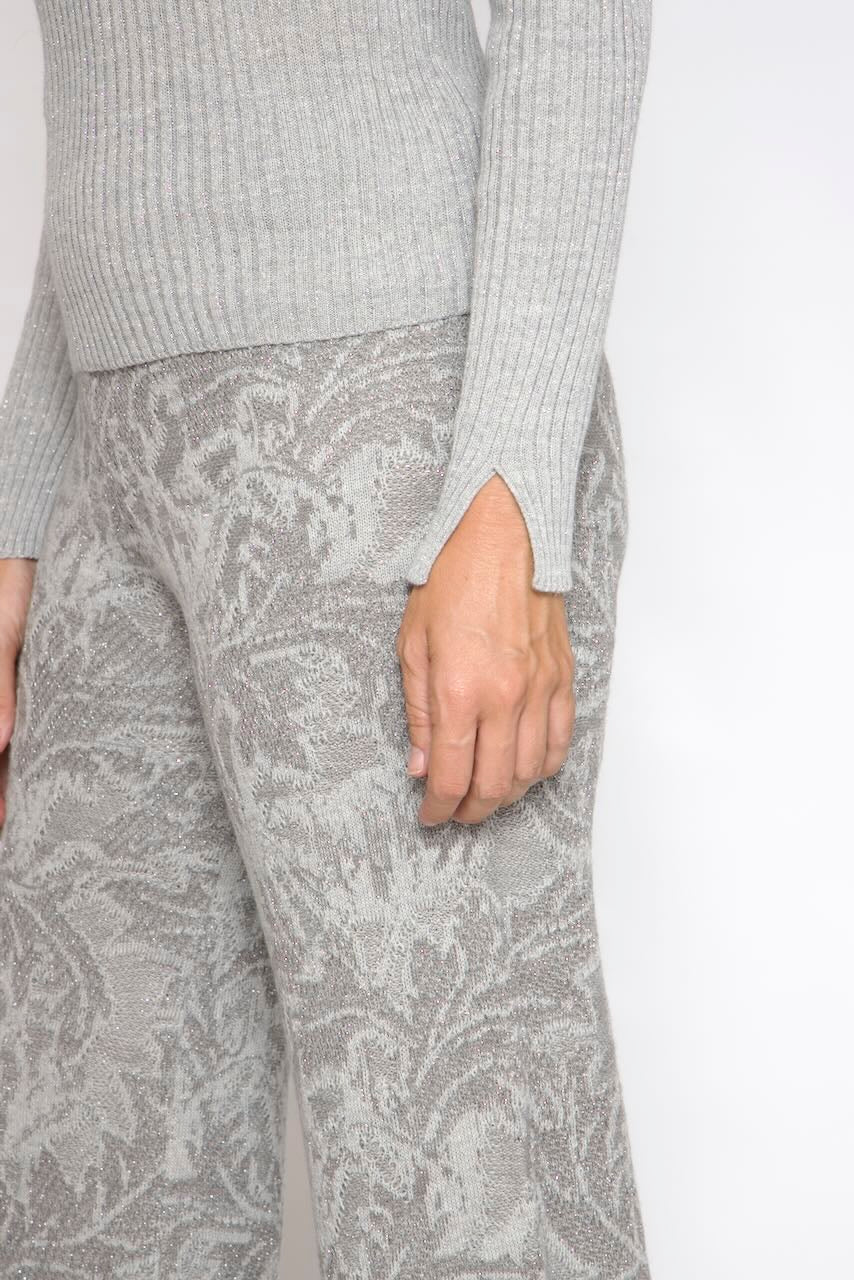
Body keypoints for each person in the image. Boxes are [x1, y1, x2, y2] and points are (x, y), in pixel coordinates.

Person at [0, 0, 653, 1274]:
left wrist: (510, 482)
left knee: (460, 1199)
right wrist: (22, 500)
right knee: (99, 1184)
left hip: (387, 428)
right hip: (104, 451)